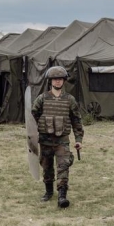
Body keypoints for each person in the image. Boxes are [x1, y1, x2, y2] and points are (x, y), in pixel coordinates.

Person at [31, 66, 83, 208]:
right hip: (45, 140)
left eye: (60, 79)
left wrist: (78, 140)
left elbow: (76, 121)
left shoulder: (70, 100)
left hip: (62, 141)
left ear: (64, 81)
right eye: (55, 79)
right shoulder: (42, 99)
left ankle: (62, 196)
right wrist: (32, 138)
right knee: (47, 167)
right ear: (50, 81)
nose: (58, 82)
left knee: (63, 167)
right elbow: (32, 117)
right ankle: (48, 192)